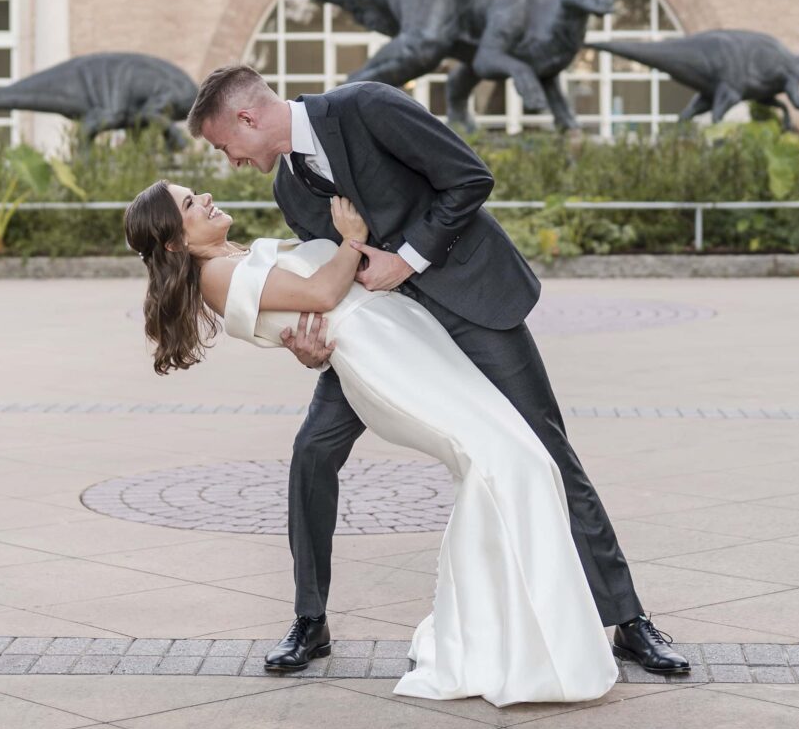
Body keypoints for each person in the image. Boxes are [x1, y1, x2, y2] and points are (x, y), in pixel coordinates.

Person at [182, 65, 689, 681]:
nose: (228, 160)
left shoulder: (367, 107)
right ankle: (309, 621)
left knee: (546, 450)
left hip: (475, 304)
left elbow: (470, 179)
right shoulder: (289, 192)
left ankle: (628, 622)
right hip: (389, 342)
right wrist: (307, 346)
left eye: (223, 145)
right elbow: (329, 282)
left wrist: (408, 258)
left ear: (247, 118)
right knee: (312, 452)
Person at [125, 178, 620, 705]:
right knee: (500, 459)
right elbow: (320, 293)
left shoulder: (237, 255)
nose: (203, 197)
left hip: (404, 335)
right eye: (188, 204)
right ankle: (491, 634)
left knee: (510, 456)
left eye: (194, 192)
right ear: (176, 241)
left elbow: (300, 310)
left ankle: (511, 622)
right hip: (384, 358)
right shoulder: (217, 275)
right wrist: (350, 239)